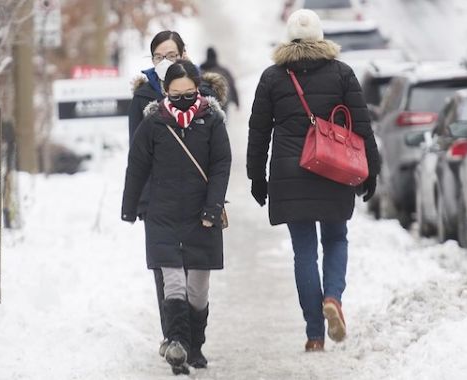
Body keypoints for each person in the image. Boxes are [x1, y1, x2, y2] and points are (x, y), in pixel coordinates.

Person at [247, 9, 380, 352]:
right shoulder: (342, 73)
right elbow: (362, 127)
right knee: (336, 239)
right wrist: (372, 169)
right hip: (334, 170)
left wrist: (256, 177)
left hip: (290, 175)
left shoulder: (272, 77)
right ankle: (333, 298)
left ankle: (315, 335)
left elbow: (258, 132)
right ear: (321, 38)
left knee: (304, 252)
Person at [122, 59, 232, 374]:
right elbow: (138, 165)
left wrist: (213, 207)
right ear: (166, 92)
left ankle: (194, 345)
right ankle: (177, 344)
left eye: (189, 92)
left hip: (202, 215)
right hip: (163, 214)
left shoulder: (211, 120)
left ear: (198, 90)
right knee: (172, 283)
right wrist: (130, 207)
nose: (182, 98)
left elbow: (221, 165)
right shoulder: (154, 122)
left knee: (198, 289)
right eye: (175, 93)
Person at [200, 47, 240, 113]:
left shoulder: (201, 70)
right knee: (222, 119)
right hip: (224, 101)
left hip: (207, 103)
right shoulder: (224, 70)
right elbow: (232, 87)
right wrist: (237, 103)